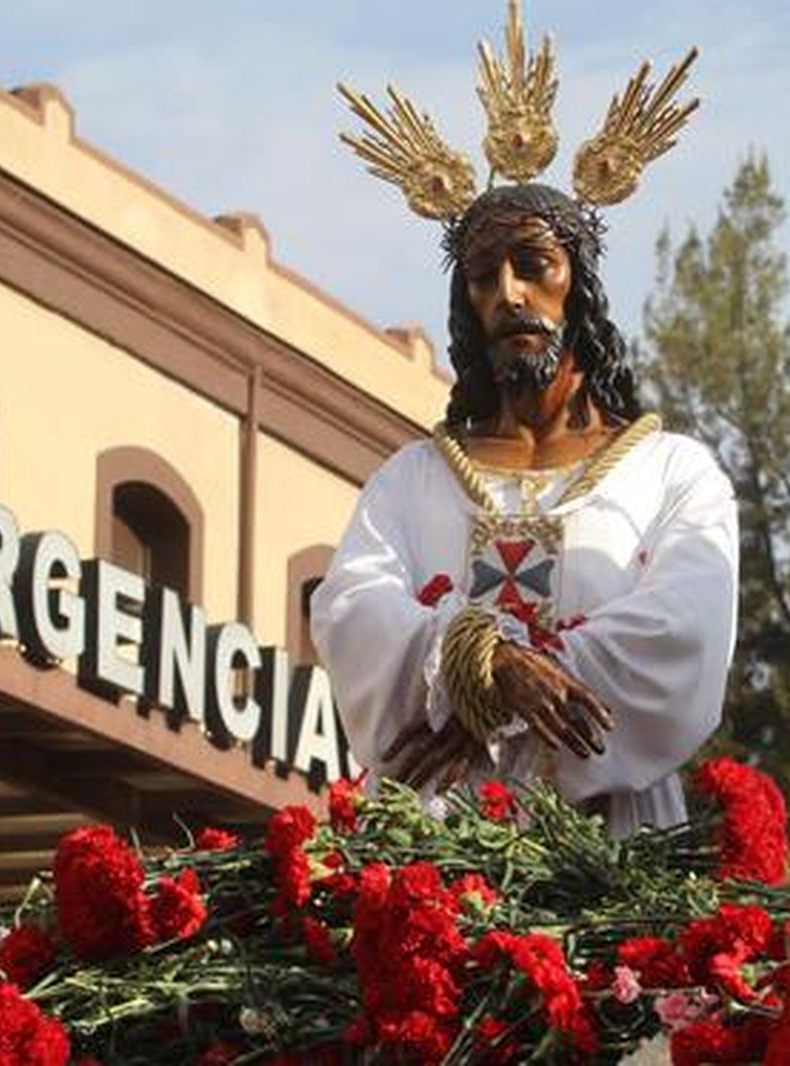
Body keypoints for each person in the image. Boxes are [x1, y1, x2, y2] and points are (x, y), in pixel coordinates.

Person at [311, 182, 738, 836]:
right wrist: (489, 666)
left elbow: (686, 627)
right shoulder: (412, 480)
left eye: (534, 266)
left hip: (609, 833)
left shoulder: (671, 472)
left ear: (581, 283)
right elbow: (350, 610)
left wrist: (497, 697)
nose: (510, 294)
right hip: (437, 832)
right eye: (484, 278)